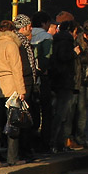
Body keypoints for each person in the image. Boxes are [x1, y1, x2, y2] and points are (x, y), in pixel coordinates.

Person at [0, 20, 26, 167]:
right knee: (13, 124)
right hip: (11, 88)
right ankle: (12, 157)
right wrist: (21, 90)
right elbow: (17, 69)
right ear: (12, 31)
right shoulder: (12, 46)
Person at [49, 19, 81, 153]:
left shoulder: (55, 40)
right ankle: (56, 143)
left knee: (59, 112)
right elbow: (64, 57)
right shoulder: (66, 41)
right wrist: (74, 53)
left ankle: (57, 143)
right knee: (62, 114)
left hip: (56, 80)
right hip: (65, 81)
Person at [14, 14, 39, 160]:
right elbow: (24, 66)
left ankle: (24, 149)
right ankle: (23, 150)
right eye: (29, 26)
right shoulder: (20, 42)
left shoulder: (21, 41)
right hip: (24, 84)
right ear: (23, 28)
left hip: (26, 83)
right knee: (23, 118)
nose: (31, 29)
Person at [32, 12, 57, 152]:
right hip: (42, 78)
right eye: (48, 23)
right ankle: (44, 143)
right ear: (43, 23)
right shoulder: (46, 37)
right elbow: (47, 58)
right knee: (46, 111)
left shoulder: (27, 36)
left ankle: (31, 142)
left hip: (30, 77)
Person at [75, 20, 88, 148]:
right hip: (84, 82)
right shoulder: (81, 48)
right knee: (82, 112)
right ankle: (81, 138)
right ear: (85, 36)